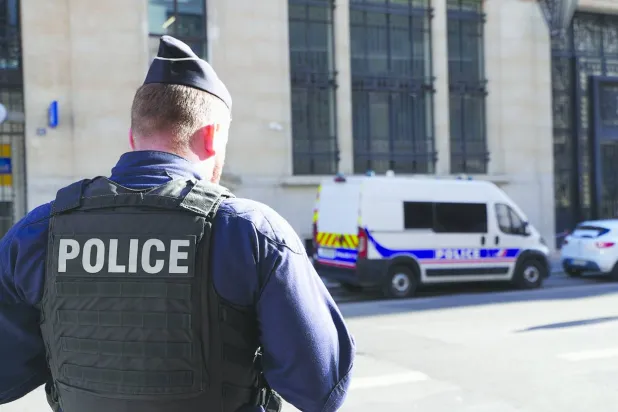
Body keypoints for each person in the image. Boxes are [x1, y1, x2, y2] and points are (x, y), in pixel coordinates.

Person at [0, 35, 355, 412]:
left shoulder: (38, 232)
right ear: (211, 137)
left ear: (133, 136)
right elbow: (321, 388)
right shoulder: (251, 233)